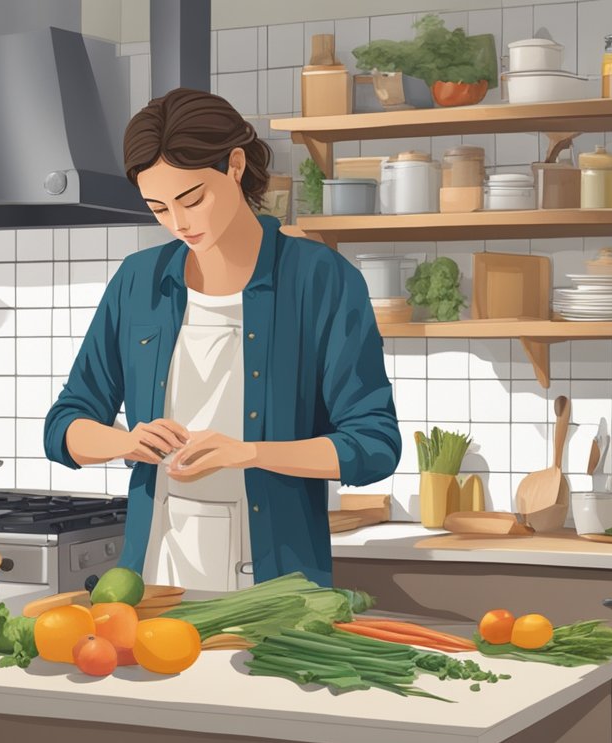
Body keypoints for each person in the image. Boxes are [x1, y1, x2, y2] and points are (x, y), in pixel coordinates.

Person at [43, 88, 400, 591]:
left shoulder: (321, 280)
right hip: (152, 578)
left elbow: (374, 445)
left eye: (192, 199)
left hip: (276, 588)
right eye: (158, 207)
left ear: (234, 166)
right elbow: (63, 426)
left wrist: (250, 453)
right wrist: (127, 441)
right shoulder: (138, 282)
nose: (179, 222)